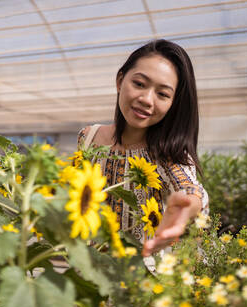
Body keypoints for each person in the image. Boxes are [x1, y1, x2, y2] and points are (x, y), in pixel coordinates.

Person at [77, 39, 209, 259]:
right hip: (88, 274)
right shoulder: (87, 137)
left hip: (143, 282)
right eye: (139, 84)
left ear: (173, 104)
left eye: (163, 94)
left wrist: (186, 207)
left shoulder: (167, 153)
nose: (147, 99)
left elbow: (189, 188)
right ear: (120, 81)